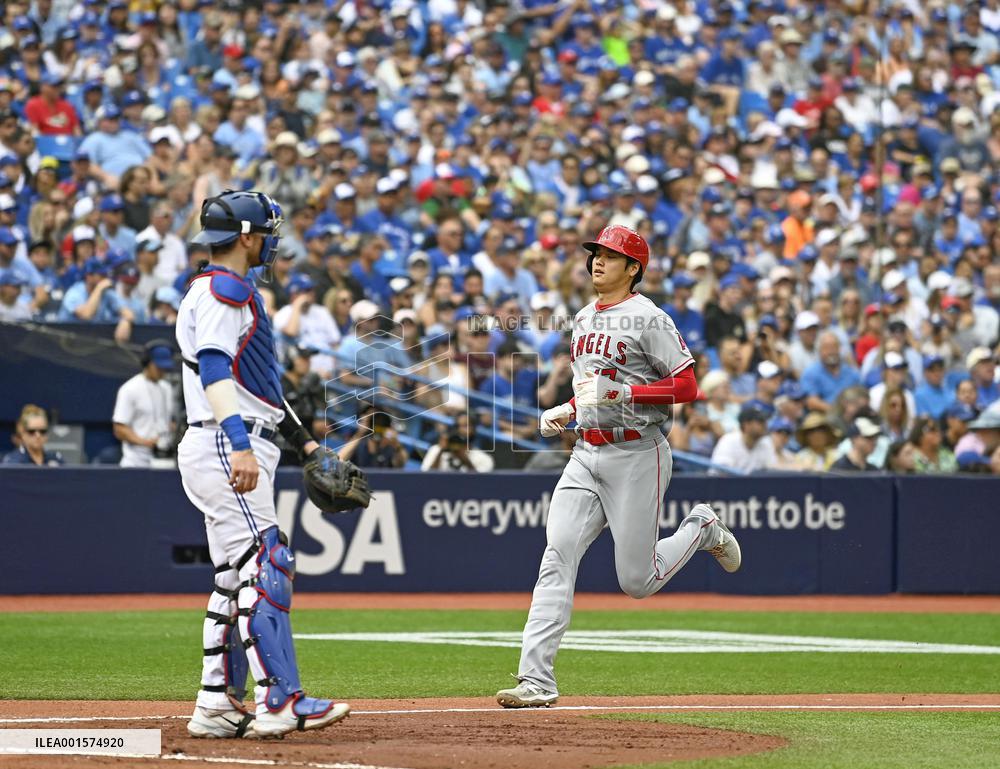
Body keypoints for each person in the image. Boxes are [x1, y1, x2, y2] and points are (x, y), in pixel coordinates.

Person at [496, 225, 741, 709]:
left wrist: (629, 393)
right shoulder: (585, 317)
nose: (598, 262)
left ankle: (703, 527)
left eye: (611, 255)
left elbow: (688, 386)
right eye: (596, 254)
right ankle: (537, 681)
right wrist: (568, 410)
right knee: (556, 556)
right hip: (586, 453)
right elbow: (593, 388)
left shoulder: (650, 318)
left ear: (634, 268)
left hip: (637, 452)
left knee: (637, 580)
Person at [175, 190, 361, 739]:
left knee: (236, 576)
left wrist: (305, 446)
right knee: (268, 563)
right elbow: (214, 371)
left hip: (232, 437)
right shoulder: (224, 290)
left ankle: (216, 704)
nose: (273, 242)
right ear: (249, 237)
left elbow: (261, 390)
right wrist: (237, 443)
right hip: (226, 441)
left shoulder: (221, 289)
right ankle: (281, 700)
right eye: (268, 232)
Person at [112, 341, 177, 468]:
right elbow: (119, 429)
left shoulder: (167, 388)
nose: (162, 371)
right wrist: (146, 442)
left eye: (165, 368)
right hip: (136, 462)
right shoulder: (130, 389)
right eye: (158, 367)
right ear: (147, 362)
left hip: (164, 460)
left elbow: (170, 420)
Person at [710, 402, 778, 473]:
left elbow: (771, 471)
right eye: (760, 421)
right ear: (746, 425)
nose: (765, 425)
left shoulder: (766, 442)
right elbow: (721, 474)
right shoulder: (728, 441)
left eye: (765, 421)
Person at [421, 413, 495, 472]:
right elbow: (426, 479)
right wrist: (440, 452)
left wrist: (464, 459)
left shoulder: (484, 458)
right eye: (458, 426)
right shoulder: (435, 450)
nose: (461, 430)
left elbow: (480, 483)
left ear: (474, 430)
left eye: (466, 426)